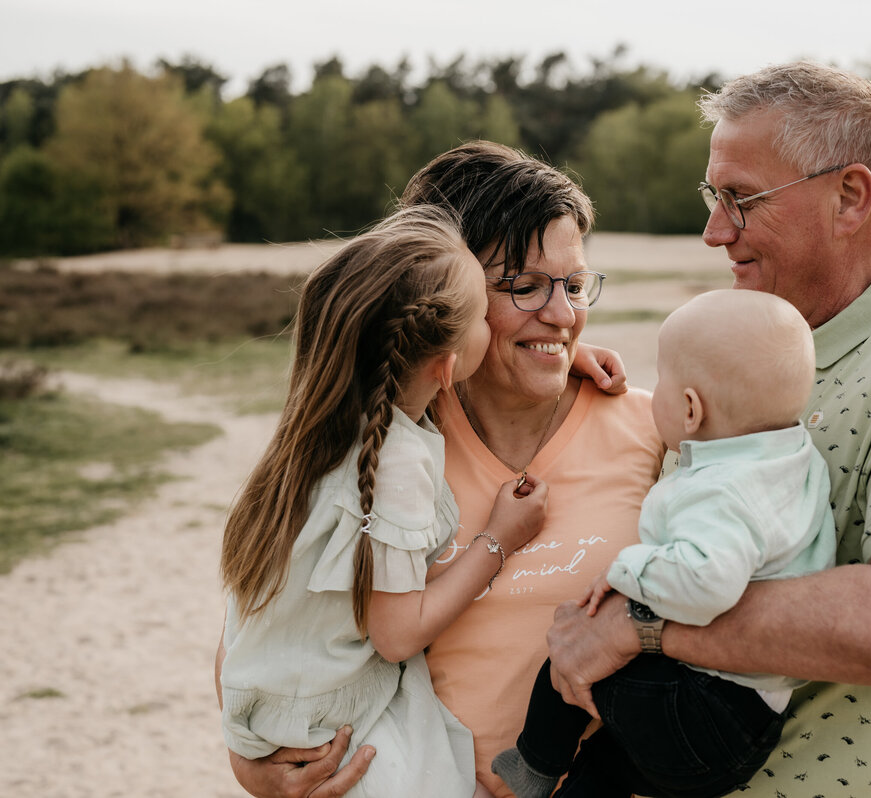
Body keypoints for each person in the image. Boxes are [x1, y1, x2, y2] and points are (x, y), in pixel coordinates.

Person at [546, 61, 871, 798]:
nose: (715, 231)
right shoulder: (761, 348)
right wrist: (554, 361)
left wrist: (646, 625)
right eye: (715, 197)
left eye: (742, 199)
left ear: (849, 198)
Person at [221, 141, 666, 798]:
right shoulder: (377, 445)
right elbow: (262, 617)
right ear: (438, 291)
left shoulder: (652, 432)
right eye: (523, 284)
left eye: (573, 285)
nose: (564, 314)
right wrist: (255, 766)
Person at [217, 204, 552, 797]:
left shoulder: (319, 430)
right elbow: (397, 635)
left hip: (274, 702)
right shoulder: (395, 463)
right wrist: (499, 539)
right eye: (482, 314)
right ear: (447, 366)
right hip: (341, 729)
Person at [491, 288, 837, 798]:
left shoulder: (720, 492)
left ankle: (534, 765)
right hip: (751, 721)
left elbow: (707, 580)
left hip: (703, 707)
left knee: (569, 652)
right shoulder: (788, 458)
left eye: (664, 384)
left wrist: (627, 569)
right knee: (608, 761)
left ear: (691, 409)